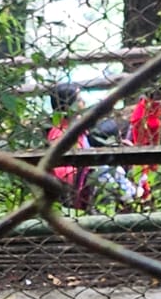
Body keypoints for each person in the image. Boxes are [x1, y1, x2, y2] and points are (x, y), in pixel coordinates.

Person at [45, 81, 91, 210]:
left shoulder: (77, 129)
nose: (84, 103)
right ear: (68, 105)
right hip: (72, 201)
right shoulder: (60, 134)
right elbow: (65, 176)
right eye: (80, 100)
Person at [85, 117, 143, 211]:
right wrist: (139, 187)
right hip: (109, 210)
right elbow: (128, 194)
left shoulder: (88, 159)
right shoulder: (114, 170)